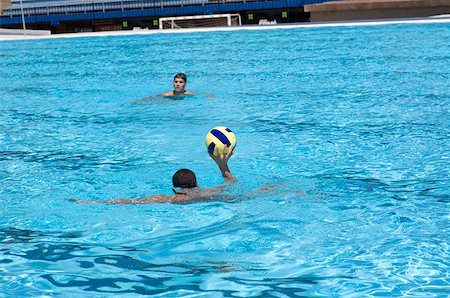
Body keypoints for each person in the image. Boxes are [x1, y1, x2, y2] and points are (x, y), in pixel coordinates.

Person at [72, 149, 235, 204]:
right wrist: (222, 164)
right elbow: (231, 184)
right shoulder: (206, 194)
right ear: (197, 184)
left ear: (173, 187)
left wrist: (93, 201)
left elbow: (128, 202)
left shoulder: (166, 198)